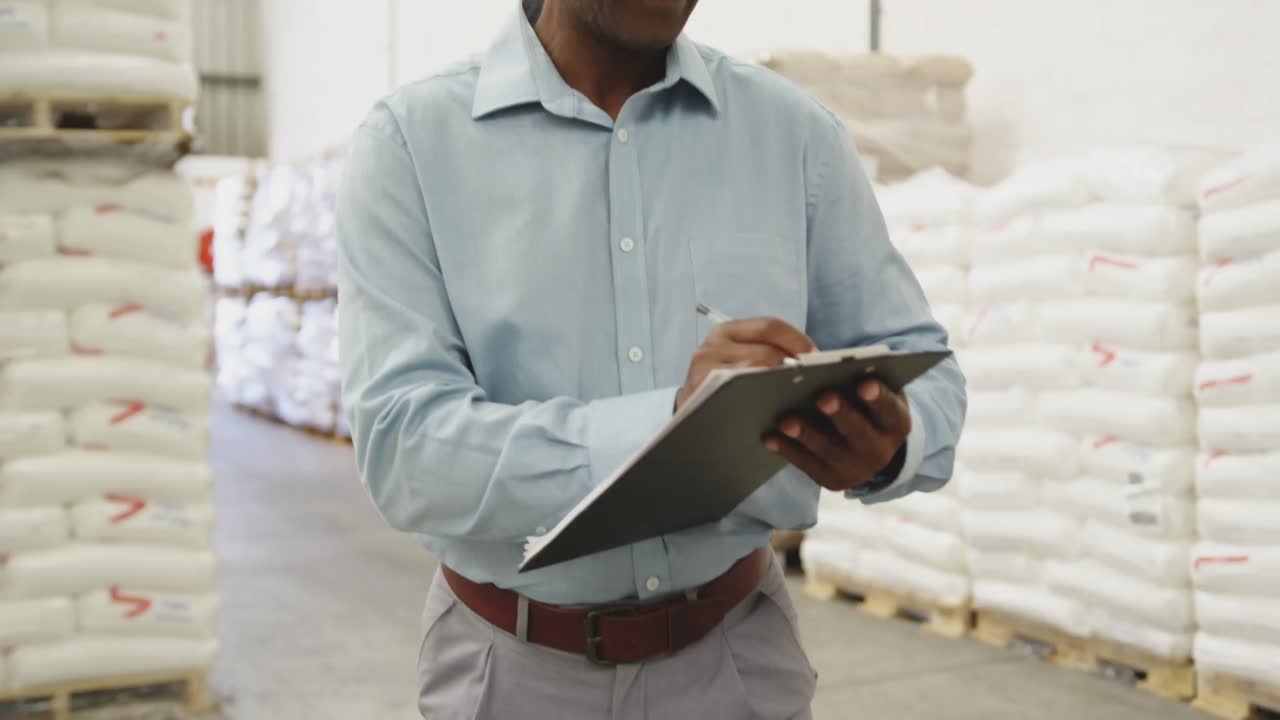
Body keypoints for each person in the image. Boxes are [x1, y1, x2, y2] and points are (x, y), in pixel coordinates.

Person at [336, 0, 966, 717]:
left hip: (738, 665)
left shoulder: (794, 136)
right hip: (512, 676)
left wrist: (890, 444)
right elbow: (403, 448)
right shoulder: (411, 145)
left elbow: (926, 369)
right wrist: (668, 425)